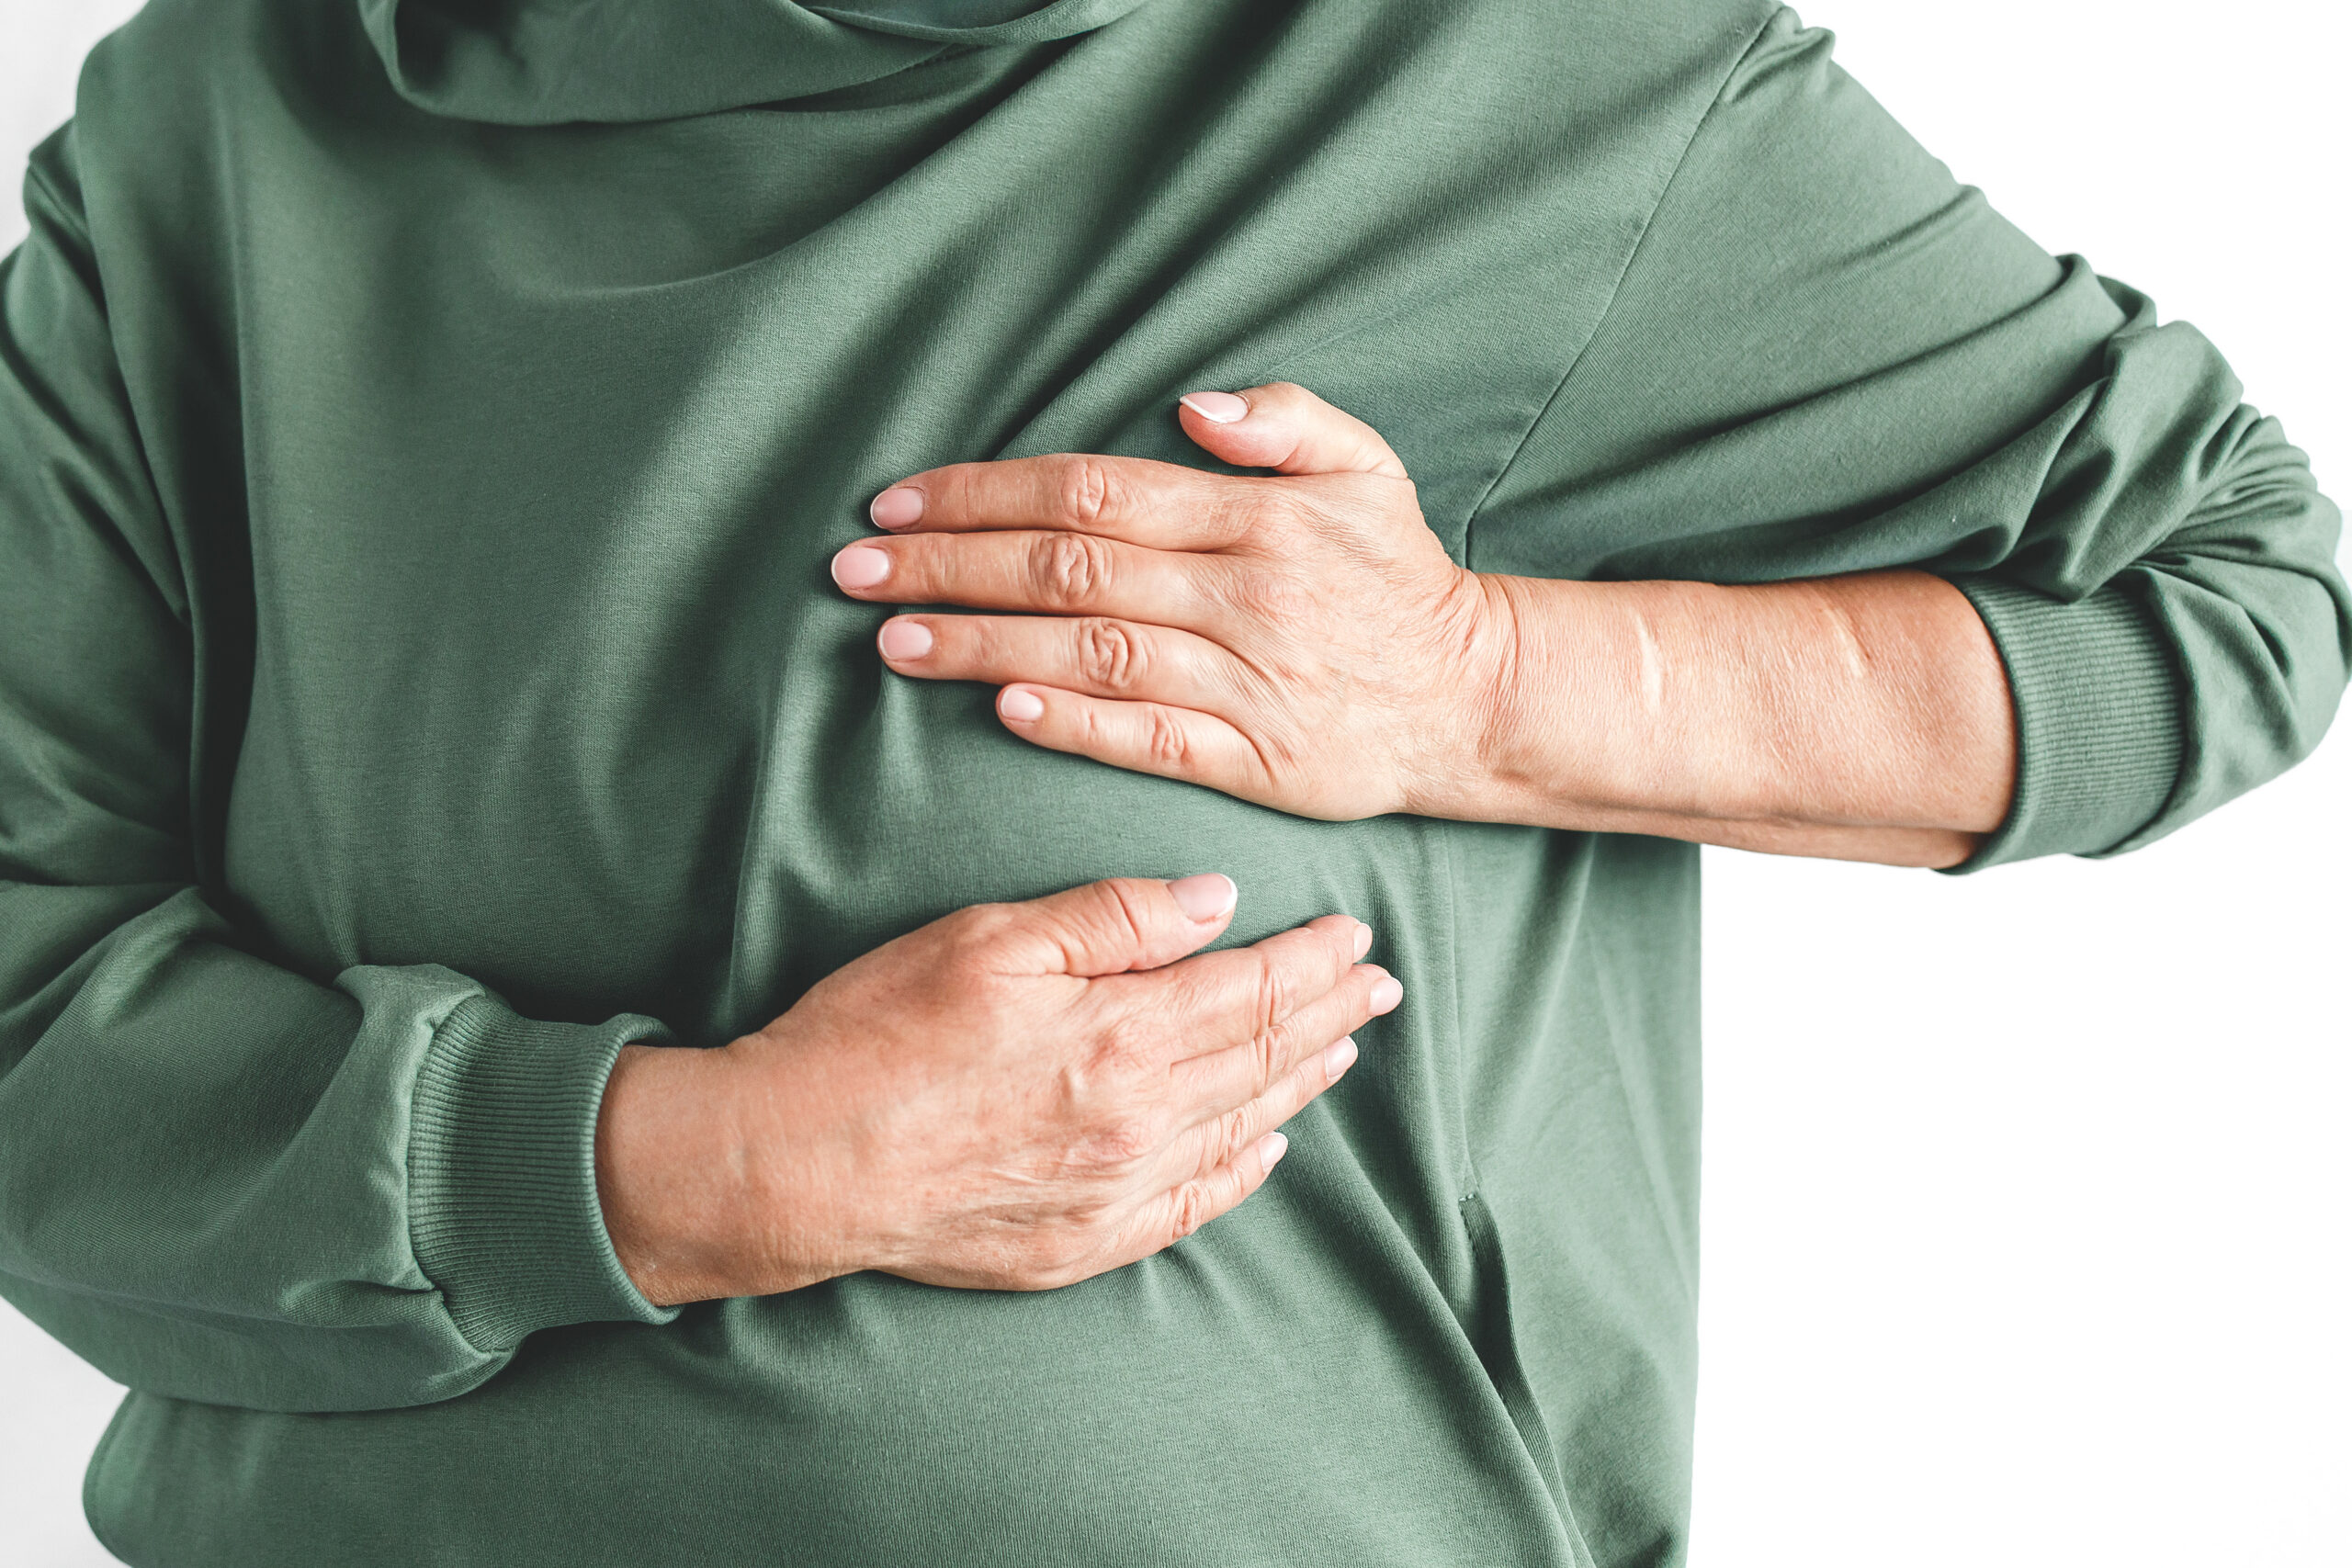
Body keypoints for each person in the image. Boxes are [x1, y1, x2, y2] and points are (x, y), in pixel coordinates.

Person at [0, 0, 2341, 1562]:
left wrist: (1477, 679)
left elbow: (2231, 593)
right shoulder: (225, 112)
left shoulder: (1521, 77)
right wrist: (703, 1163)